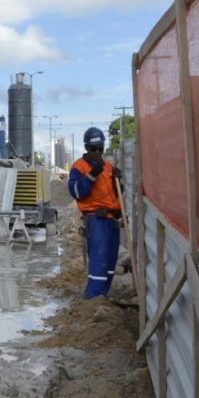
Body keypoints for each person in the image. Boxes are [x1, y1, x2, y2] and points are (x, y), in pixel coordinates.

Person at [68, 127, 122, 298]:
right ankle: (93, 298)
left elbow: (115, 193)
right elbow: (76, 192)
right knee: (99, 261)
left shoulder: (108, 167)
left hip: (111, 218)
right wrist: (91, 176)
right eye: (94, 149)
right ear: (86, 148)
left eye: (100, 148)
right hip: (96, 220)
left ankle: (103, 295)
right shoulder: (79, 167)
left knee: (111, 262)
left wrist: (118, 182)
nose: (97, 152)